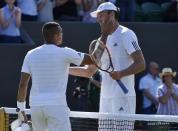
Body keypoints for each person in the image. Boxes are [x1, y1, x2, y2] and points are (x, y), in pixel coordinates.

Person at [70, 0, 145, 120]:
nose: (98, 19)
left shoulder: (126, 34)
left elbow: (141, 64)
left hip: (123, 97)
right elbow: (89, 71)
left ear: (111, 14)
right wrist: (64, 69)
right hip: (105, 98)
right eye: (97, 16)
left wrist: (121, 73)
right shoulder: (100, 40)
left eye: (101, 14)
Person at [16, 22, 94, 131]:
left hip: (36, 108)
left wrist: (21, 111)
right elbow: (92, 59)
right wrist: (102, 51)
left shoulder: (30, 54)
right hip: (56, 106)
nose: (62, 35)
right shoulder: (65, 52)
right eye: (61, 32)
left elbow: (22, 85)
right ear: (56, 35)